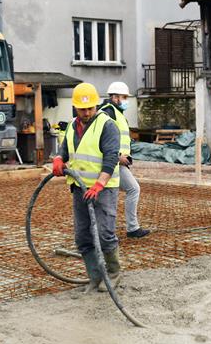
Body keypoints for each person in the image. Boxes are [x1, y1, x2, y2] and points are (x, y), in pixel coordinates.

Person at [52, 82, 122, 292]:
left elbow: (111, 158)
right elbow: (64, 150)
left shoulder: (107, 125)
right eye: (82, 109)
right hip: (80, 188)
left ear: (96, 106)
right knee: (82, 236)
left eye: (90, 108)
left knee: (104, 233)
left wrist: (100, 184)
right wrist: (57, 159)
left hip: (104, 188)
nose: (86, 112)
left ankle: (113, 272)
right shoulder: (73, 125)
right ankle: (95, 276)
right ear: (75, 108)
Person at [100, 81, 150, 239]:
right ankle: (131, 228)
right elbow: (103, 139)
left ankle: (127, 228)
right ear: (115, 97)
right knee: (131, 189)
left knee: (113, 195)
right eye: (124, 97)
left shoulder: (116, 113)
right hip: (112, 162)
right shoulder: (107, 113)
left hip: (117, 163)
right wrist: (118, 156)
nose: (127, 100)